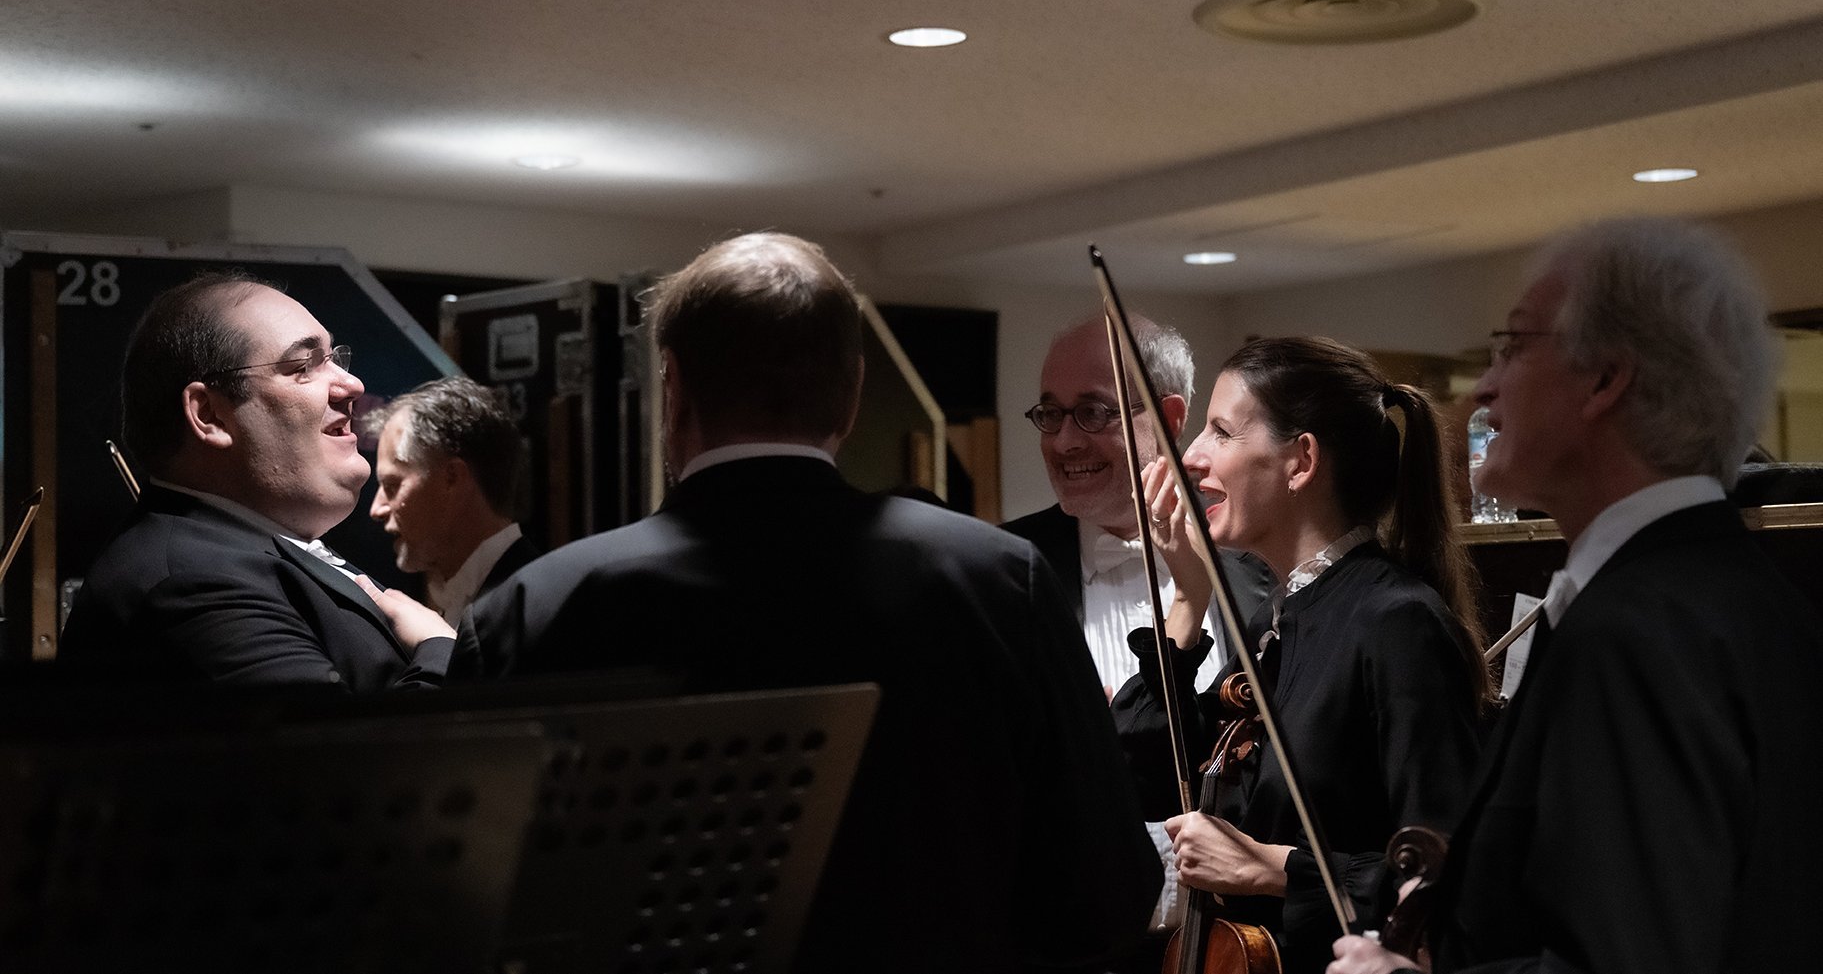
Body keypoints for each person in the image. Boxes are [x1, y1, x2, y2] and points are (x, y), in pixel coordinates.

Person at [467, 232, 1161, 973]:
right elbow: (1107, 896)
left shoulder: (533, 608)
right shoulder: (1000, 582)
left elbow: (469, 918)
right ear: (853, 390)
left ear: (672, 385)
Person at [1329, 218, 1823, 974]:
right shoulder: (1751, 596)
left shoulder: (1635, 633)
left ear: (1604, 379)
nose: (1483, 386)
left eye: (1513, 345)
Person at [1115, 336, 1491, 974]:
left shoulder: (1397, 622)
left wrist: (1274, 869)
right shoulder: (1275, 618)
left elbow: (1455, 867)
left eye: (1221, 431)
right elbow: (1134, 771)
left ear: (1301, 461)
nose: (1193, 457)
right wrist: (1187, 596)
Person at [1004, 315, 1275, 958]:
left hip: (1241, 948)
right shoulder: (1003, 572)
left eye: (1093, 412)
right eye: (1050, 413)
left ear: (1171, 418)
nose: (1064, 440)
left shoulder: (1261, 567)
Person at [59, 274, 461, 691]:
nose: (352, 385)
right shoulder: (194, 582)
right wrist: (441, 650)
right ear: (209, 416)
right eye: (303, 367)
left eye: (334, 359)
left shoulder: (237, 553)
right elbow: (339, 735)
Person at [363, 375, 540, 634]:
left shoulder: (531, 609)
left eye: (392, 485)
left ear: (452, 478)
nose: (376, 509)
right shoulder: (495, 599)